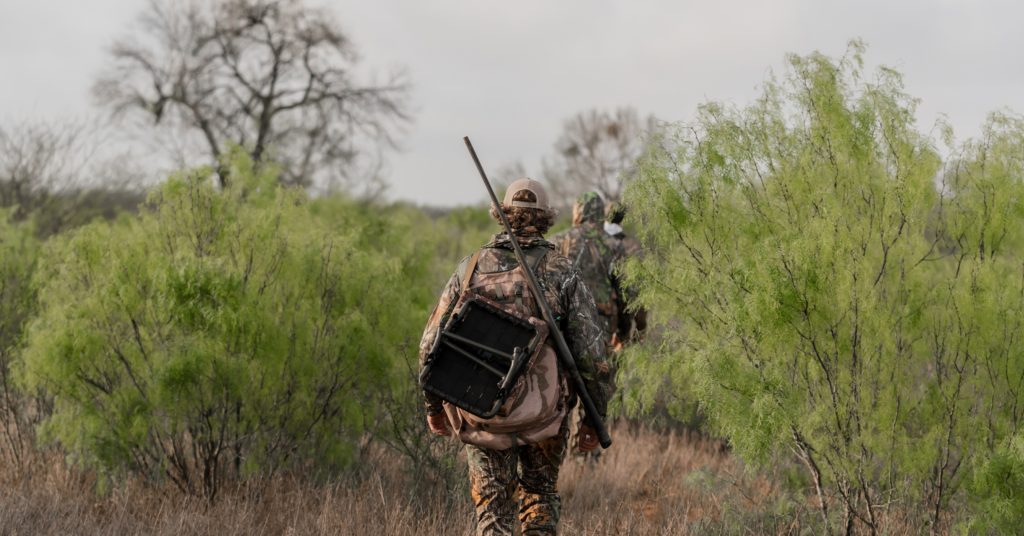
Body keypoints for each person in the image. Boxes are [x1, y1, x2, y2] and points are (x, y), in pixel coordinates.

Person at [418, 178, 612, 536]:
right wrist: (592, 418)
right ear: (545, 218)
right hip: (546, 417)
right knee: (538, 499)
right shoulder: (562, 272)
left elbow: (429, 346)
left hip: (479, 412)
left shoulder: (470, 268)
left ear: (502, 214)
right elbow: (594, 358)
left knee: (492, 511)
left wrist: (433, 408)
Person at [603, 202, 647, 345]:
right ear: (623, 218)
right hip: (621, 321)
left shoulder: (592, 242)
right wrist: (641, 328)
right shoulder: (632, 246)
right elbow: (639, 290)